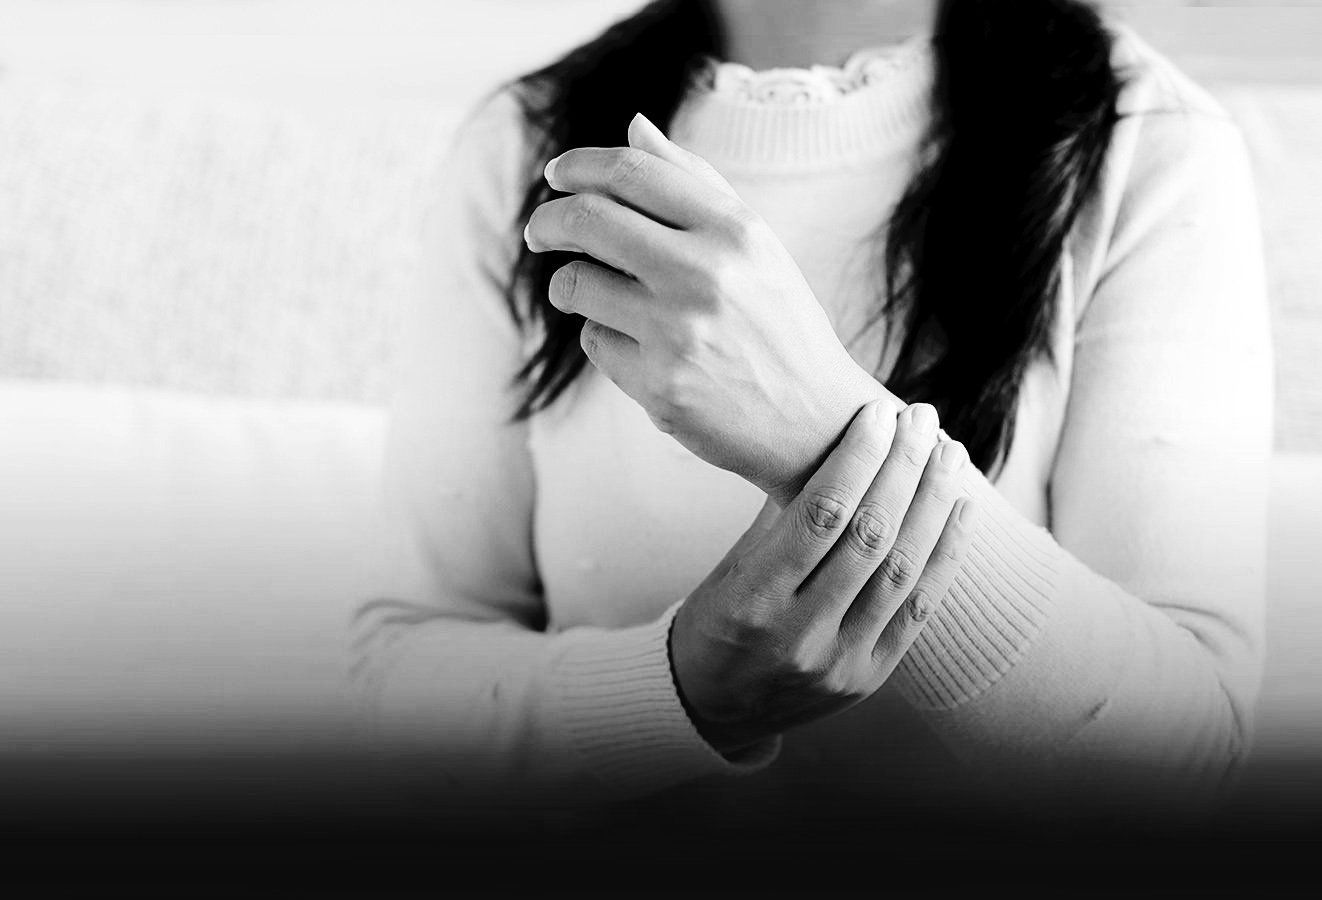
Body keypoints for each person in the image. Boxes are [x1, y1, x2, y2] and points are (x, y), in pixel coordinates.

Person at [351, 0, 1272, 824]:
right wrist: (676, 692)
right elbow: (395, 688)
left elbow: (1190, 765)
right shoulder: (522, 143)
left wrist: (814, 423)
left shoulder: (1149, 142)